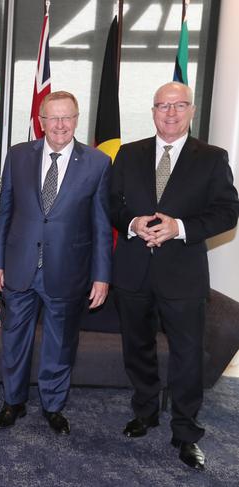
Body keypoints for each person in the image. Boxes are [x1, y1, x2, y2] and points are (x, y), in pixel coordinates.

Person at [110, 81, 239, 471]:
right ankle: (145, 411)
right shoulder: (129, 154)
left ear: (191, 111)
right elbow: (111, 204)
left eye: (178, 105)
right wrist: (133, 223)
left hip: (182, 276)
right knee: (138, 349)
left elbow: (227, 213)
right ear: (152, 111)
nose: (170, 113)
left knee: (186, 358)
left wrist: (178, 227)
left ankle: (186, 433)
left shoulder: (212, 158)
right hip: (133, 272)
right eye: (162, 106)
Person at [0, 91, 112, 435]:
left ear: (76, 119)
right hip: (18, 267)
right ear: (40, 121)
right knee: (14, 340)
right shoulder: (17, 156)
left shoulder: (98, 163)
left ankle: (53, 406)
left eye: (66, 117)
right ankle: (12, 402)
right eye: (52, 118)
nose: (59, 124)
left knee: (60, 343)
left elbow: (102, 224)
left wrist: (102, 276)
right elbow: (4, 213)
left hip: (67, 269)